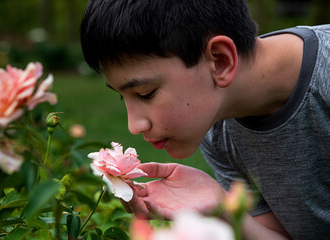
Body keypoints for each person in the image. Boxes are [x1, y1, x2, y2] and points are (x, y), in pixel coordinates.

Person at [80, 0, 330, 239]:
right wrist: (222, 208)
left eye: (146, 93)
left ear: (220, 61)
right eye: (124, 98)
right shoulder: (216, 131)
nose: (134, 126)